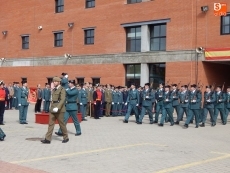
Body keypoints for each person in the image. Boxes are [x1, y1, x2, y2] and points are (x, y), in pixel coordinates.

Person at [41, 77, 69, 144]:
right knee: (51, 124)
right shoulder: (54, 89)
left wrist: (58, 107)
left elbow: (62, 100)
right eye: (53, 81)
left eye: (55, 81)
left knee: (61, 124)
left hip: (59, 110)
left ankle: (66, 137)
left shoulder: (62, 89)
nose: (54, 82)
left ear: (59, 82)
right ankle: (48, 139)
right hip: (53, 108)